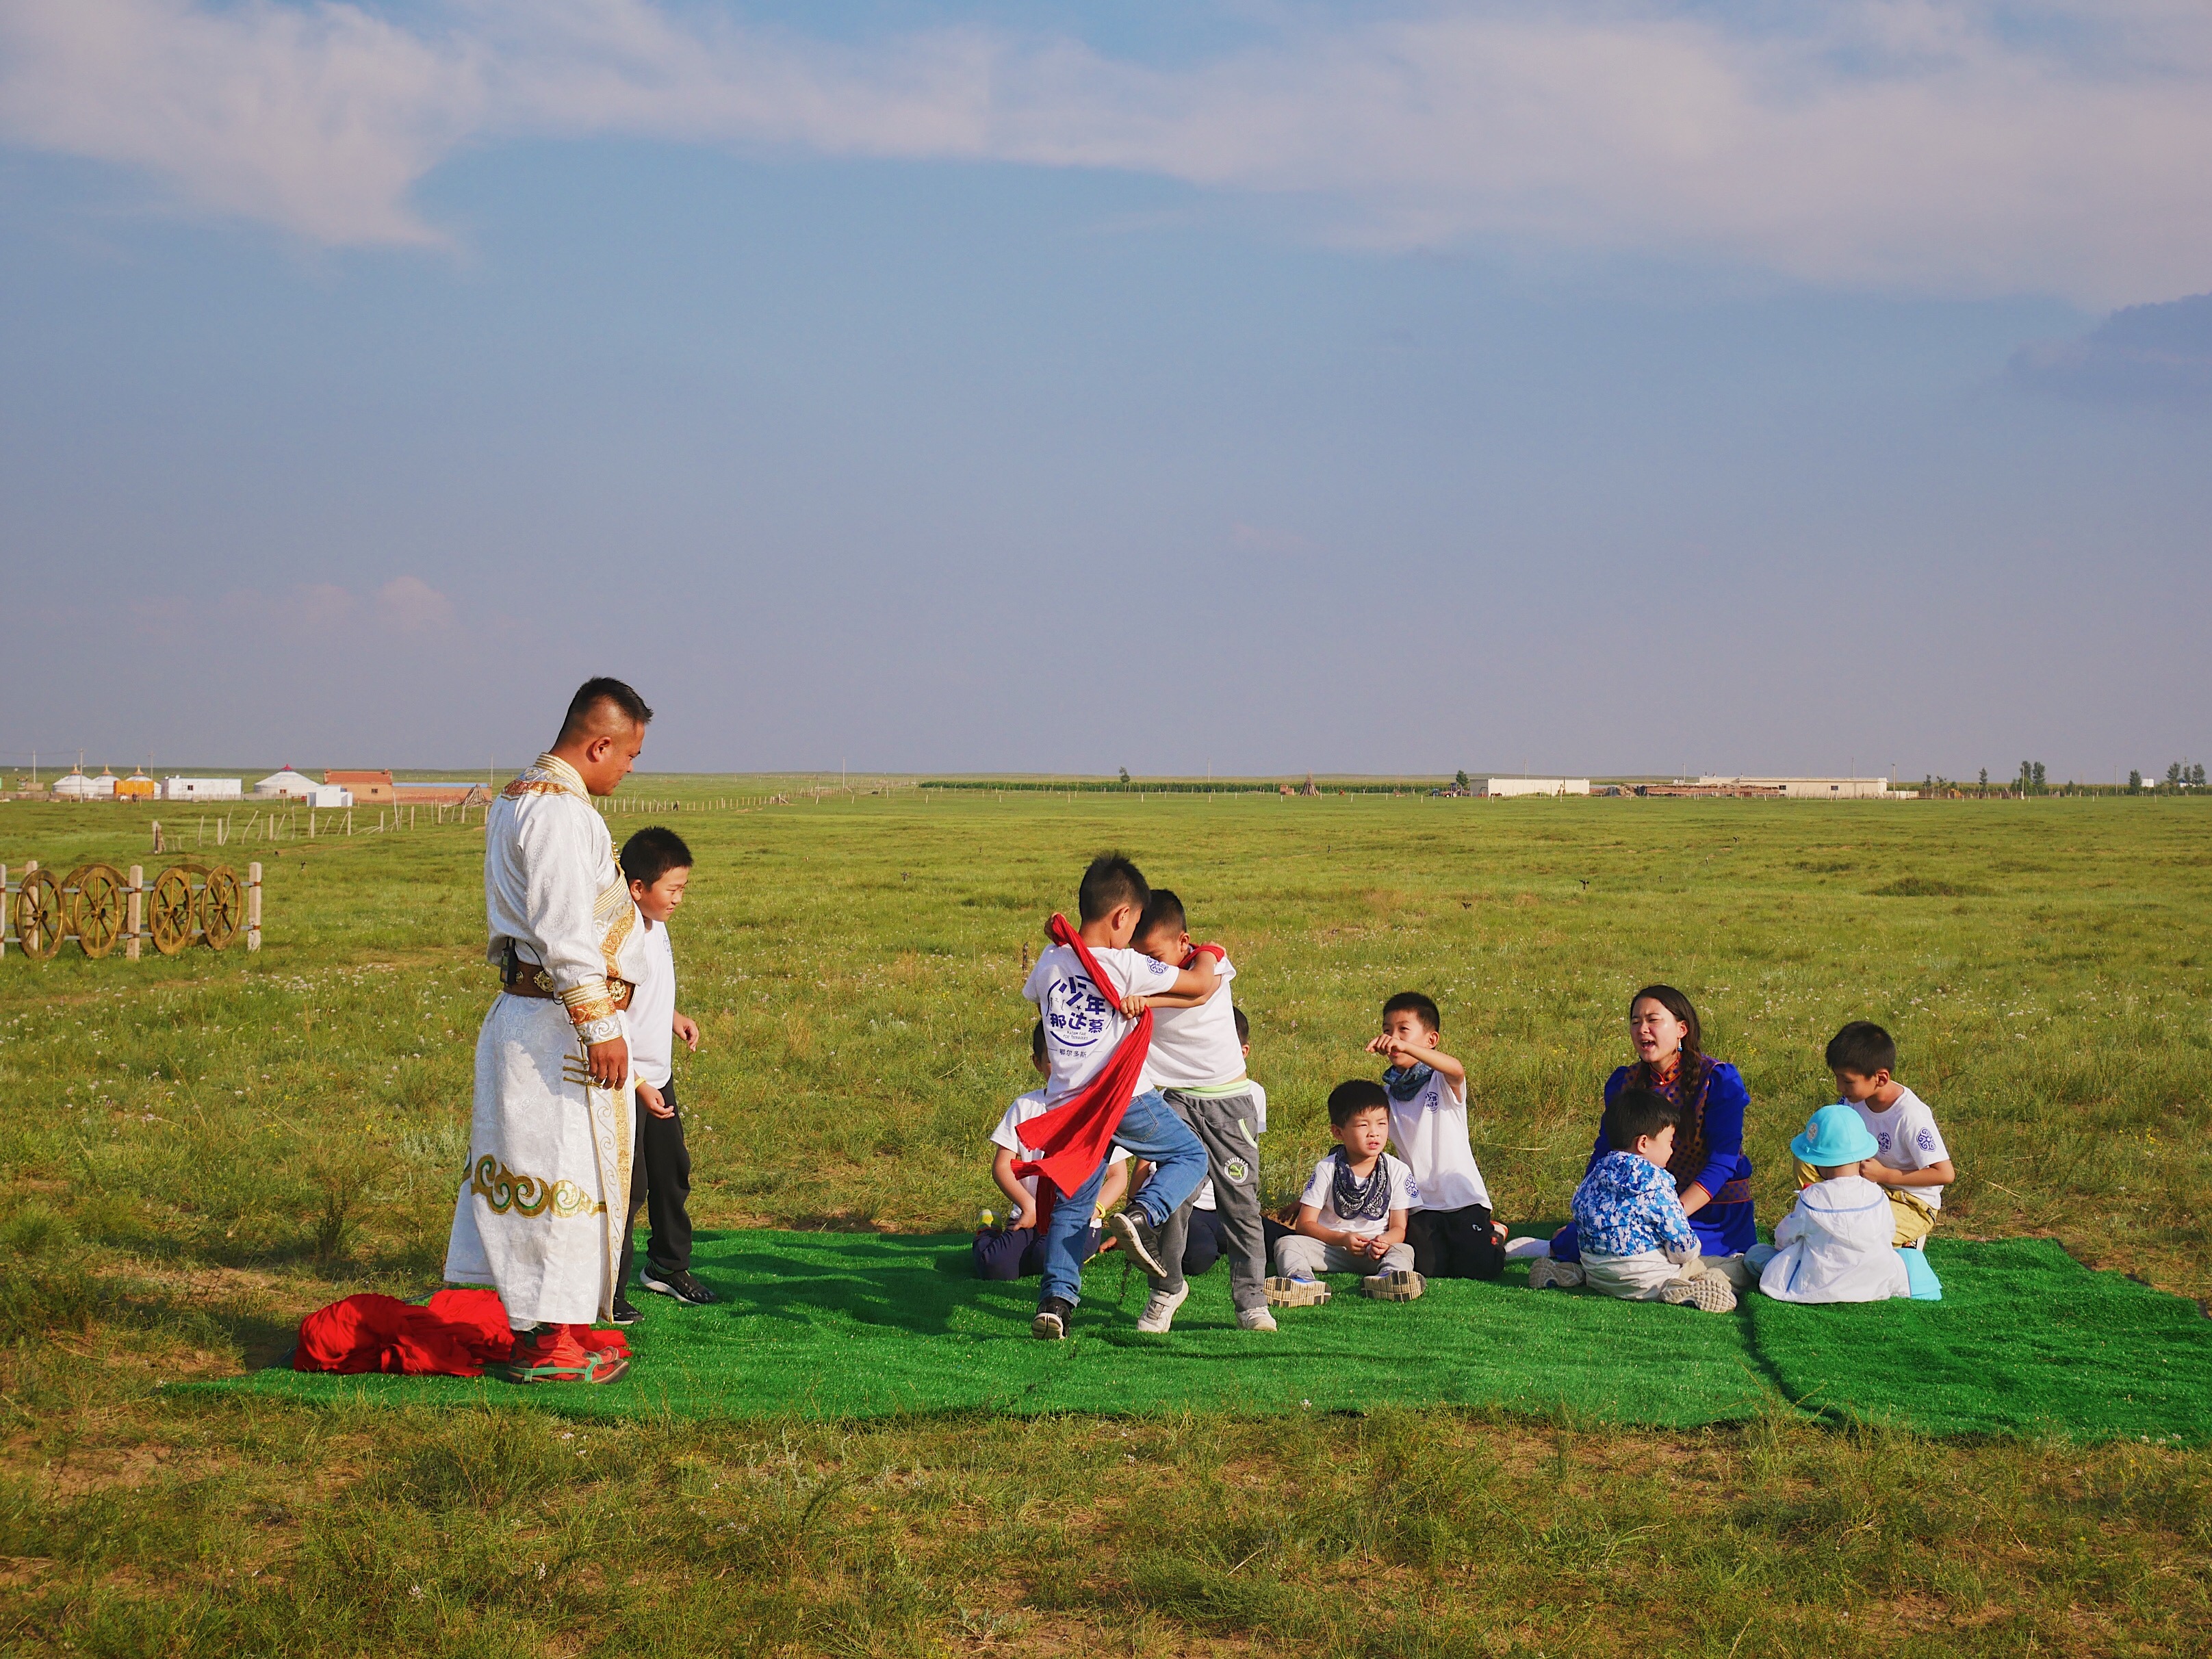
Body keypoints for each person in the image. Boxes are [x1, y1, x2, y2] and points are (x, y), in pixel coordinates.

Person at [443, 677, 654, 1385]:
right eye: (627, 756)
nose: (629, 769)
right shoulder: (562, 814)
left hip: (537, 1018)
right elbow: (565, 934)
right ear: (599, 744)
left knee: (565, 1177)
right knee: (561, 1177)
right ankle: (548, 1345)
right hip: (557, 1027)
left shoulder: (518, 797)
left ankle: (560, 1329)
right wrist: (601, 1029)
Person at [1018, 853, 1218, 1339]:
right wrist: (1211, 949)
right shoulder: (1129, 965)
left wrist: (1061, 941)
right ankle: (1141, 1213)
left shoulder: (1049, 962)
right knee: (1191, 1155)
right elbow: (1201, 983)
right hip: (1121, 1099)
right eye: (1133, 925)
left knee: (1073, 1204)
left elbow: (1039, 988)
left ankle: (1056, 1302)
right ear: (1122, 917)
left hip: (1068, 1107)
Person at [1122, 890, 1275, 1334]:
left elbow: (1199, 989)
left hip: (1228, 1103)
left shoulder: (1210, 958)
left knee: (1241, 1204)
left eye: (1154, 956)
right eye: (1139, 958)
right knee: (1175, 1200)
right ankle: (1166, 1289)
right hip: (1176, 1099)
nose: (1148, 968)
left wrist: (1147, 1002)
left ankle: (1251, 1300)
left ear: (1183, 941)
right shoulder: (1136, 973)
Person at [1534, 984, 1756, 1270]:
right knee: (1590, 1240)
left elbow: (1723, 1162)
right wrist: (1589, 1214)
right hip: (1643, 1207)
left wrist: (1672, 1213)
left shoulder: (1718, 1080)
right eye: (1636, 1022)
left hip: (1711, 1212)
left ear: (1681, 1029)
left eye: (1653, 1020)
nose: (1642, 1030)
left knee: (1675, 1252)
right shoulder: (1625, 1082)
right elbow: (1606, 1150)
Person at [613, 825, 717, 1319]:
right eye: (672, 889)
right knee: (628, 1188)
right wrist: (637, 1084)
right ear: (638, 888)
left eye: (683, 889)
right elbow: (607, 1015)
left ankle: (666, 1267)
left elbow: (644, 993)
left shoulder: (657, 925)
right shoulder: (620, 935)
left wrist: (672, 1017)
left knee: (672, 1173)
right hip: (625, 1081)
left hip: (658, 1075)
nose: (679, 899)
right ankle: (607, 1288)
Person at [1541, 1086, 1736, 1311]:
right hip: (1648, 1279)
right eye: (1669, 1142)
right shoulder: (1657, 1182)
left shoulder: (1596, 1175)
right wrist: (1688, 1256)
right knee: (1726, 1266)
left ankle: (1569, 1272)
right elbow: (1682, 1244)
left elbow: (1578, 1211)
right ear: (1643, 1143)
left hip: (1598, 1276)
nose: (1671, 1151)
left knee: (1600, 1268)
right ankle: (1688, 1287)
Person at [973, 1023, 1131, 1281]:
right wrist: (1029, 1205)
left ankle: (1081, 1247)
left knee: (1045, 1256)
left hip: (1077, 1221)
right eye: (1053, 1058)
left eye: (1071, 1056)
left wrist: (1094, 1209)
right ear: (1037, 1062)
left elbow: (1118, 1176)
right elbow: (1002, 1166)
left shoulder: (1099, 1110)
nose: (1063, 1065)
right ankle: (987, 1229)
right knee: (993, 1266)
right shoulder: (1025, 1106)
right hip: (1030, 1213)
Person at [1366, 992, 1505, 1281]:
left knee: (1480, 1270)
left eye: (1404, 1030)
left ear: (1431, 1041)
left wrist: (1406, 1047)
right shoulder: (1387, 1095)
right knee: (1429, 1269)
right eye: (1387, 1031)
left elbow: (1456, 1068)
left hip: (1463, 1199)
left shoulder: (1441, 1081)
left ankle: (1496, 1234)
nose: (1394, 1038)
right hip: (1420, 1204)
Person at [1271, 1080, 1425, 1302]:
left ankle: (1390, 1278)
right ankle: (1301, 1280)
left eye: (1382, 1124)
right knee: (1287, 1243)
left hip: (1376, 1252)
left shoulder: (1398, 1170)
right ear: (1338, 1132)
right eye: (1363, 1125)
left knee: (1404, 1250)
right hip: (1332, 1248)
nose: (1374, 1133)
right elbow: (1305, 1225)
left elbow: (1399, 1228)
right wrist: (1342, 1239)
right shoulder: (1327, 1168)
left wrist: (1384, 1241)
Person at [1749, 1105, 1909, 1303]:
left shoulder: (1812, 1199)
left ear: (1818, 1161)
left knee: (1755, 1255)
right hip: (1872, 1285)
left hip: (1817, 1285)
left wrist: (1784, 1250)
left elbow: (1785, 1237)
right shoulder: (1877, 1194)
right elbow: (1888, 1232)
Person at [1821, 1021, 1955, 1249]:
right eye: (1837, 1078)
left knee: (1856, 1238)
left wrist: (1886, 1175)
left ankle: (1908, 1241)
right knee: (1807, 1158)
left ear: (1880, 1078)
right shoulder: (1851, 1102)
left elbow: (1944, 1174)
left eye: (1847, 1081)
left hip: (1911, 1202)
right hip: (1867, 1189)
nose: (1839, 1087)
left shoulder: (1910, 1115)